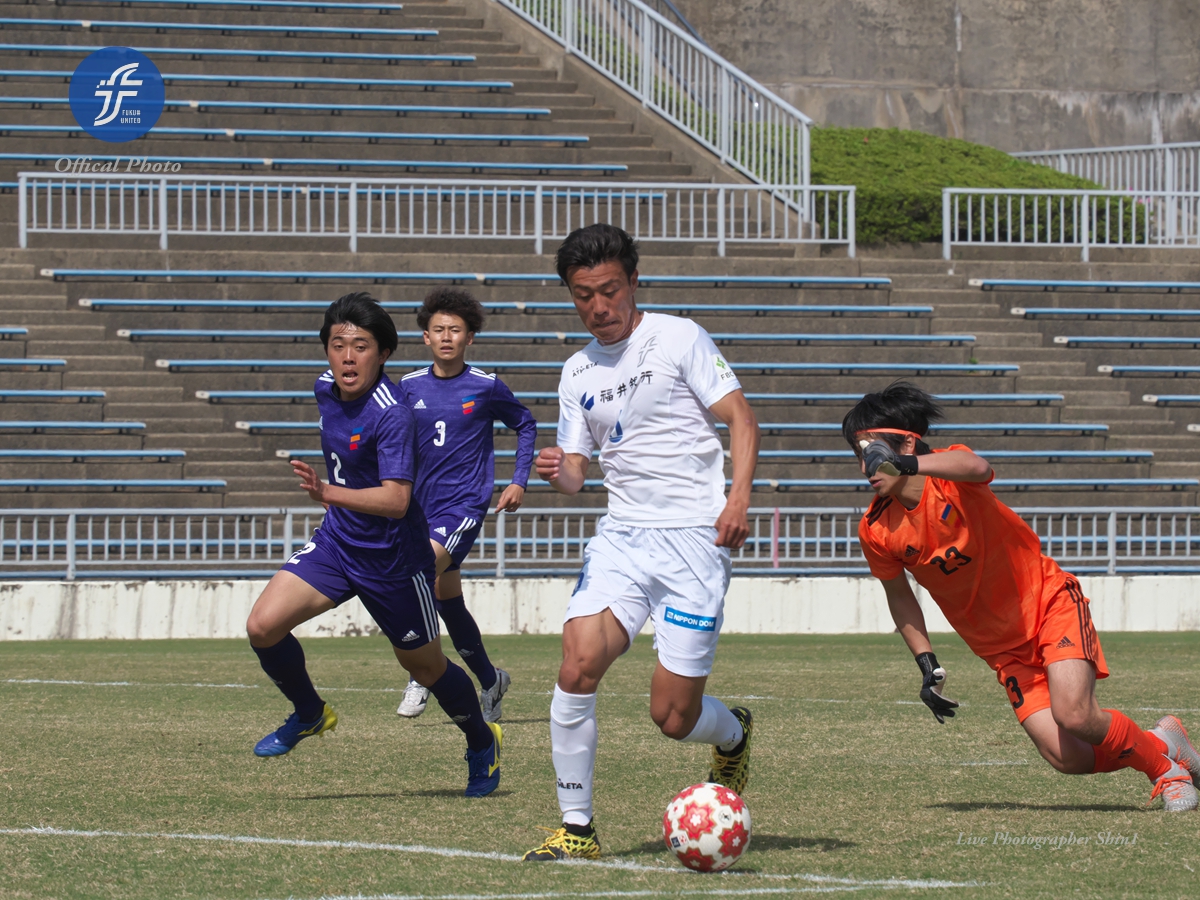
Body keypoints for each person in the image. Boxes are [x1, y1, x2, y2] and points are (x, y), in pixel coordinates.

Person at [845, 381, 1200, 812]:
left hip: (1049, 605)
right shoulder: (876, 529)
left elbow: (976, 465)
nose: (865, 467)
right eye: (857, 455)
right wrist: (926, 662)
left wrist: (905, 463)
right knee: (1067, 758)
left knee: (1075, 714)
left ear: (906, 443)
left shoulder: (952, 480)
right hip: (1002, 651)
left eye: (870, 452)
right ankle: (1164, 742)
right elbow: (899, 596)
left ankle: (1167, 772)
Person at [522, 224, 762, 861]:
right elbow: (577, 473)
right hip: (623, 540)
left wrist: (737, 500)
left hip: (693, 543)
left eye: (609, 290)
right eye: (583, 296)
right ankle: (577, 829)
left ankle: (732, 734)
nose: (598, 306)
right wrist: (558, 469)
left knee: (673, 719)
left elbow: (741, 417)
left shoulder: (678, 337)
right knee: (576, 666)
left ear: (633, 281)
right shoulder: (576, 371)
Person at [244, 292, 503, 798]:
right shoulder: (325, 388)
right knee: (263, 626)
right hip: (338, 544)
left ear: (383, 354)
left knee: (425, 668)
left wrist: (326, 492)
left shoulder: (393, 415)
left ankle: (481, 738)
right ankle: (309, 712)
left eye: (360, 346)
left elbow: (397, 500)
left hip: (394, 562)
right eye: (337, 345)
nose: (347, 357)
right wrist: (333, 503)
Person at [394, 287, 538, 722]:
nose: (446, 336)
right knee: (447, 601)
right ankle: (491, 681)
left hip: (463, 506)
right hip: (418, 509)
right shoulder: (408, 387)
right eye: (438, 329)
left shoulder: (486, 386)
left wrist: (518, 481)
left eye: (455, 330)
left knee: (415, 577)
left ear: (469, 337)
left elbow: (526, 424)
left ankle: (422, 672)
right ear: (425, 336)